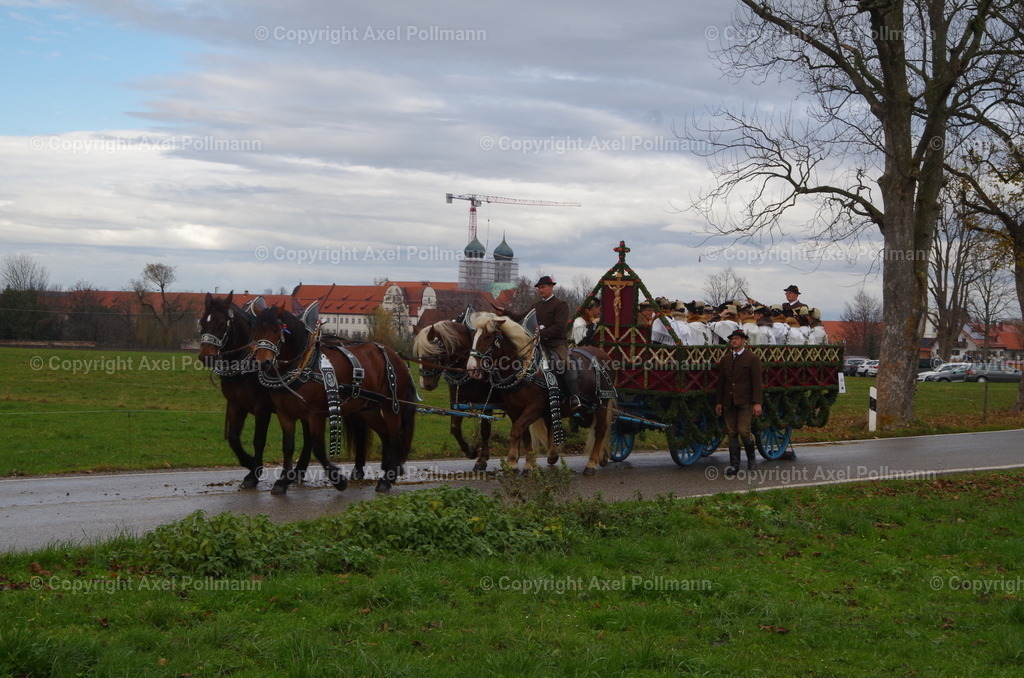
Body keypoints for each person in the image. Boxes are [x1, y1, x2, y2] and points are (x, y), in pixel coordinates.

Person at [495, 275, 581, 410]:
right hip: (536, 343)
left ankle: (574, 396)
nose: (541, 290)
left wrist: (540, 335)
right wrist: (505, 312)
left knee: (565, 363)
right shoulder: (537, 305)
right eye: (539, 288)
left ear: (551, 287)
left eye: (543, 287)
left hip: (556, 343)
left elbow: (559, 327)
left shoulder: (560, 304)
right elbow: (520, 318)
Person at [715, 329, 763, 475]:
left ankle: (751, 461)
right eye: (732, 339)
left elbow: (756, 382)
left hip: (745, 401)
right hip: (729, 401)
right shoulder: (726, 359)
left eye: (737, 339)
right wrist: (719, 402)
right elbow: (721, 383)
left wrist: (757, 402)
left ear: (743, 341)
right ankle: (734, 465)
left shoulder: (752, 358)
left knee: (743, 430)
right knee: (731, 432)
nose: (734, 341)